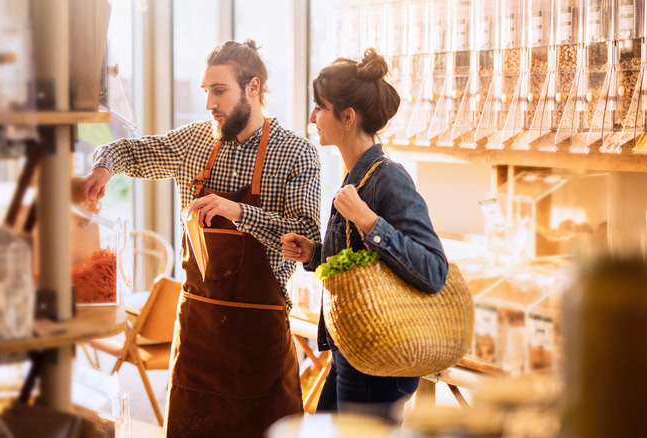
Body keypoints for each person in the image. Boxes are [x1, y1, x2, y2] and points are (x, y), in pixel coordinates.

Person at [82, 39, 321, 437]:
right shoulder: (195, 142)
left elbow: (307, 238)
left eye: (220, 90)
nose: (210, 102)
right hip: (199, 335)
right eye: (206, 91)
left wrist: (238, 211)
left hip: (259, 338)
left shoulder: (296, 153)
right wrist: (105, 167)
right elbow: (128, 151)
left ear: (254, 88)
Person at [280, 48, 449, 421]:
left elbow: (434, 270)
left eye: (319, 107)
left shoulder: (388, 177)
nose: (312, 117)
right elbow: (363, 265)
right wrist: (314, 253)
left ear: (348, 116)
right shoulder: (356, 175)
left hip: (378, 363)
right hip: (354, 350)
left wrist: (370, 221)